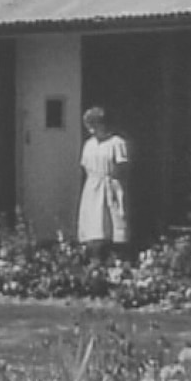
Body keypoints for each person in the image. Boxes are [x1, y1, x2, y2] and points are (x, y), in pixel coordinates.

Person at [77, 106, 129, 263]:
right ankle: (95, 257)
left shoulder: (117, 143)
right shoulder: (89, 144)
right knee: (94, 223)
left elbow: (122, 167)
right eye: (89, 127)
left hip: (110, 184)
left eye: (95, 125)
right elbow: (85, 166)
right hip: (93, 186)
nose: (92, 131)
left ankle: (116, 256)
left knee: (113, 221)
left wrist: (113, 182)